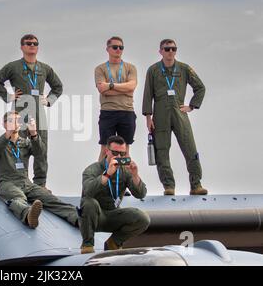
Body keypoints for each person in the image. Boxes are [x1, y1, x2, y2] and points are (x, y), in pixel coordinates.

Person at [0, 34, 63, 189]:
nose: (32, 46)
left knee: (41, 149)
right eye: (28, 43)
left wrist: (49, 100)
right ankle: (21, 181)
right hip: (20, 112)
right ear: (22, 47)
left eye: (35, 43)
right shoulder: (13, 66)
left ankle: (40, 184)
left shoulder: (45, 68)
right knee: (19, 146)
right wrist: (8, 96)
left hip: (38, 113)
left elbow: (58, 87)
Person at [0, 111, 78, 229]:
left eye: (17, 121)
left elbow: (40, 154)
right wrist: (8, 132)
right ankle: (28, 215)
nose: (15, 123)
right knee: (18, 198)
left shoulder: (25, 143)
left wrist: (34, 134)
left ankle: (78, 218)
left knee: (50, 199)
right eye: (11, 121)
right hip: (8, 183)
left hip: (26, 183)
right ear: (4, 124)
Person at [142, 39, 207, 196]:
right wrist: (148, 117)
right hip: (160, 115)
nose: (170, 51)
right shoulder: (153, 70)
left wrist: (191, 106)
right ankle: (168, 186)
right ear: (161, 51)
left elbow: (200, 87)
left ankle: (196, 185)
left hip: (179, 113)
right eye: (167, 49)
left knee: (190, 148)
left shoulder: (184, 69)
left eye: (173, 49)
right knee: (162, 151)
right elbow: (147, 94)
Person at [79, 135, 150, 254]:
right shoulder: (92, 169)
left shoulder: (124, 171)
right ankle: (87, 245)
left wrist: (135, 175)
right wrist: (107, 175)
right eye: (115, 153)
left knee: (143, 218)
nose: (119, 157)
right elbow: (88, 191)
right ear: (107, 151)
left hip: (112, 215)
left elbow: (140, 194)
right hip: (94, 216)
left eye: (122, 154)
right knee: (89, 203)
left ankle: (114, 242)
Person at [95, 36, 138, 161]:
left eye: (121, 47)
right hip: (108, 112)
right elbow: (102, 90)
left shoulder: (130, 67)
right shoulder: (100, 69)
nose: (118, 49)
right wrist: (124, 90)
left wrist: (111, 85)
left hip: (127, 111)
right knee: (105, 149)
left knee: (125, 150)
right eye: (115, 47)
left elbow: (132, 87)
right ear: (107, 49)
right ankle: (100, 178)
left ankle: (126, 178)